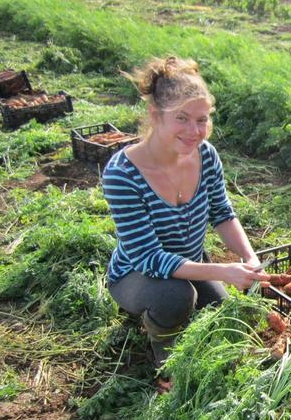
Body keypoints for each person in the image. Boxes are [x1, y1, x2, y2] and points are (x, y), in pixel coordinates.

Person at [103, 56, 265, 373]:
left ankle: (170, 310)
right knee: (176, 297)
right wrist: (222, 271)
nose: (195, 131)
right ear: (155, 115)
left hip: (191, 263)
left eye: (202, 120)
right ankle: (164, 353)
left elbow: (222, 213)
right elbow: (149, 257)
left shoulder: (206, 155)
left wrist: (249, 256)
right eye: (182, 118)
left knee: (221, 311)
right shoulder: (122, 174)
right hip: (137, 273)